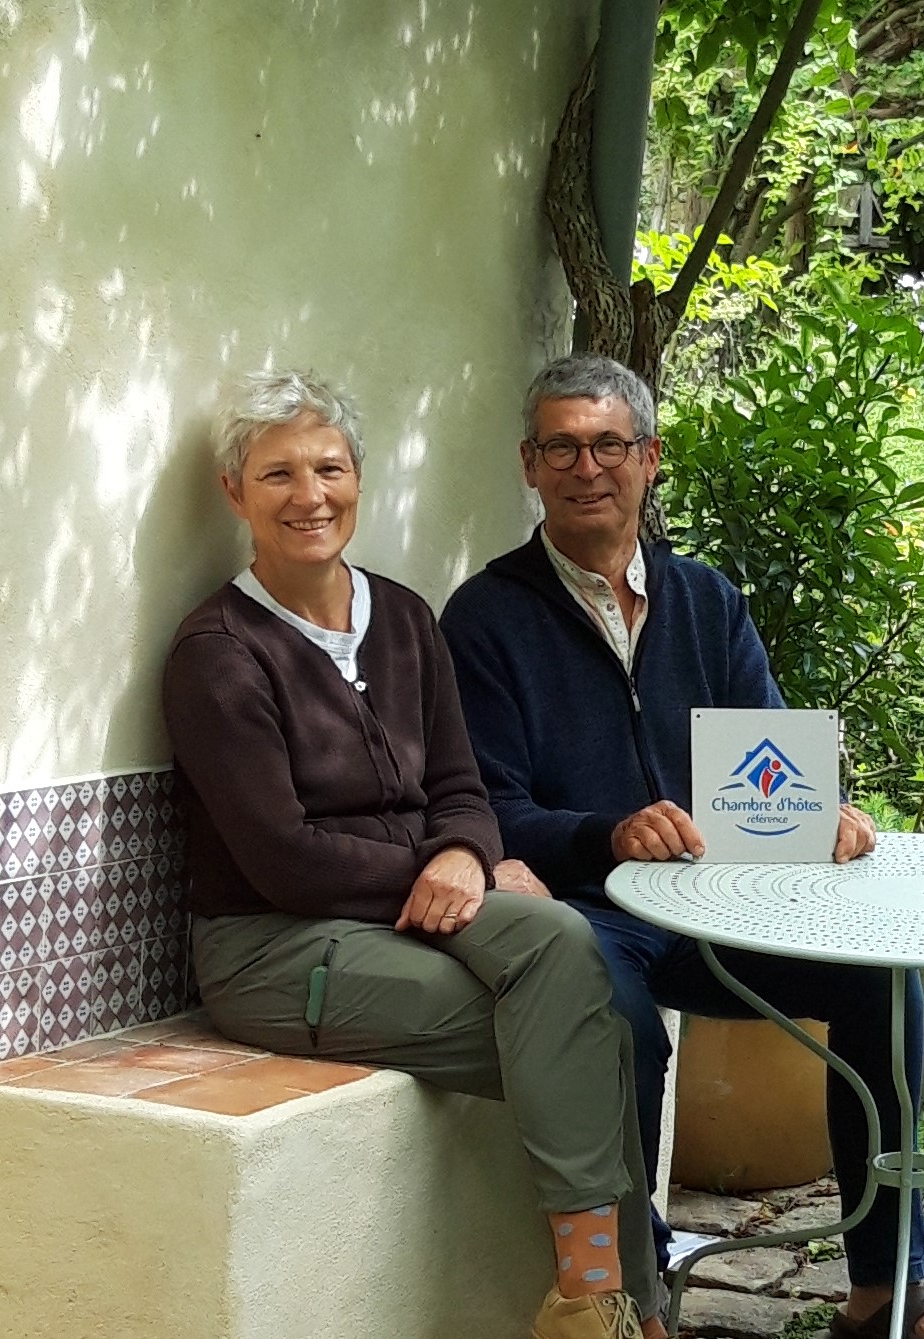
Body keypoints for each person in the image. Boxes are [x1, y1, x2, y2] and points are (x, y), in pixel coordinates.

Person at [440, 354, 924, 1339]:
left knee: (881, 980)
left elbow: (767, 762)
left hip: (723, 906)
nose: (586, 467)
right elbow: (488, 805)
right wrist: (605, 833)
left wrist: (824, 813)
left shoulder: (706, 600)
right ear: (528, 465)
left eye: (609, 444)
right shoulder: (486, 617)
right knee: (619, 1027)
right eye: (560, 447)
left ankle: (885, 1291)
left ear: (649, 459)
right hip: (591, 910)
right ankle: (635, 1299)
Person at [162, 369, 665, 1339]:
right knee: (581, 1029)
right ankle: (615, 1306)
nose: (309, 496)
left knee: (569, 956)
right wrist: (433, 868)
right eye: (277, 475)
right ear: (235, 492)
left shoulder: (398, 615)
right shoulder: (219, 651)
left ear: (358, 478)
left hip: (417, 914)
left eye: (329, 468)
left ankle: (601, 1303)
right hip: (277, 945)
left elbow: (461, 787)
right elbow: (283, 859)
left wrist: (467, 855)